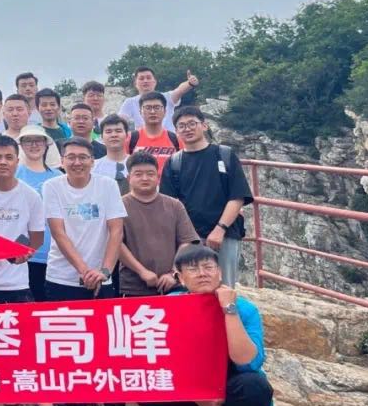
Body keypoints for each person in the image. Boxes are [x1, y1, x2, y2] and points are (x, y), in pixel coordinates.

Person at [0, 136, 82, 406]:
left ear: (17, 161)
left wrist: (24, 253)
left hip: (15, 283)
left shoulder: (31, 196)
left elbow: (36, 238)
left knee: (32, 346)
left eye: (8, 157)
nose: (3, 162)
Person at [41, 137, 139, 406]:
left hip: (103, 279)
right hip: (62, 278)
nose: (77, 162)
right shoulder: (52, 187)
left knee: (109, 349)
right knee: (68, 347)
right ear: (62, 161)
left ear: (92, 161)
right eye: (70, 157)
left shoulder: (107, 186)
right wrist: (84, 270)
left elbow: (116, 230)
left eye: (82, 157)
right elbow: (59, 233)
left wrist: (104, 271)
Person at [141, 245, 273, 406]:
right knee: (139, 376)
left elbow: (248, 362)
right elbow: (157, 358)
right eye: (193, 269)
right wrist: (195, 393)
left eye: (208, 267)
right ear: (180, 278)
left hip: (228, 398)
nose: (202, 273)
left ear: (219, 272)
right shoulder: (167, 307)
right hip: (186, 398)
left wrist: (229, 310)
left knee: (255, 385)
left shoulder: (245, 309)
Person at [160, 107, 253, 288]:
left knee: (224, 287)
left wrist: (220, 229)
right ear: (176, 131)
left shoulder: (225, 155)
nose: (187, 129)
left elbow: (237, 197)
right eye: (181, 126)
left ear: (204, 125)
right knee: (191, 289)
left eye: (192, 123)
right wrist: (186, 238)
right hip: (189, 238)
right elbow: (169, 204)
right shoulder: (174, 163)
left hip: (225, 235)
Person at [118, 152, 199, 298]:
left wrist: (174, 273)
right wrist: (142, 272)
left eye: (150, 174)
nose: (145, 178)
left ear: (158, 177)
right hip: (133, 286)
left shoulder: (174, 205)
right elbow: (116, 244)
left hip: (174, 286)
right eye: (138, 174)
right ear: (129, 178)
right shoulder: (118, 206)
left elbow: (186, 241)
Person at [14, 125, 62, 302]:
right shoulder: (14, 174)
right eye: (28, 141)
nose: (34, 145)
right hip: (23, 253)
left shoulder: (58, 176)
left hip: (54, 254)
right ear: (21, 145)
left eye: (38, 141)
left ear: (46, 144)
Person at [0, 94, 61, 177]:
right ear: (4, 114)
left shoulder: (43, 138)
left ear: (29, 112)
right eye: (10, 110)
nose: (15, 114)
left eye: (19, 109)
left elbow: (55, 171)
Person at [118, 66, 200, 133]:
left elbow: (180, 90)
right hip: (143, 142)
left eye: (148, 78)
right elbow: (119, 121)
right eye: (141, 78)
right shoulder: (130, 102)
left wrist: (190, 83)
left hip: (169, 141)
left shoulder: (167, 97)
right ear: (135, 83)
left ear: (155, 82)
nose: (145, 81)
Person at [126, 92, 180, 176]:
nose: (152, 111)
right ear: (140, 112)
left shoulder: (176, 140)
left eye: (157, 107)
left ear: (165, 111)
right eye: (148, 108)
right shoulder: (130, 139)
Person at [92, 114, 131, 194]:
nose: (114, 135)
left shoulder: (137, 164)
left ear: (127, 135)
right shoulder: (93, 167)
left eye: (118, 131)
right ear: (102, 137)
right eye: (108, 132)